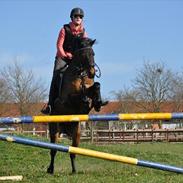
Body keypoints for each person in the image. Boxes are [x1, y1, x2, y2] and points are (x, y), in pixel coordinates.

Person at [41, 7, 107, 114]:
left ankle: (96, 99)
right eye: (76, 16)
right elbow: (59, 46)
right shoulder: (64, 29)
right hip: (62, 57)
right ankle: (50, 104)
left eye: (80, 17)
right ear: (72, 18)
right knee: (57, 75)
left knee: (88, 73)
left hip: (76, 59)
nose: (78, 18)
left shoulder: (83, 32)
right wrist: (65, 55)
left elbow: (85, 48)